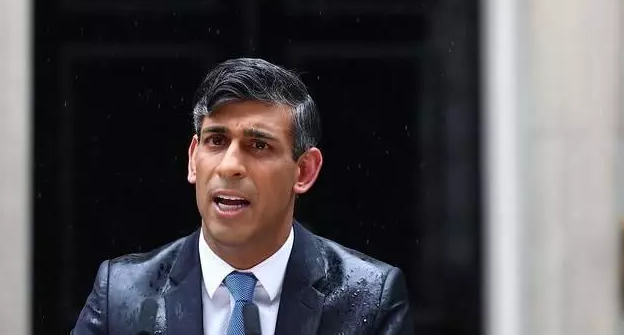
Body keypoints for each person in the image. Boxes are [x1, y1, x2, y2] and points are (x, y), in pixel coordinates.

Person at [70, 57, 413, 335]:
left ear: (304, 171)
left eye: (258, 145)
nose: (230, 166)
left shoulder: (369, 298)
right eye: (216, 141)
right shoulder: (122, 293)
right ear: (193, 159)